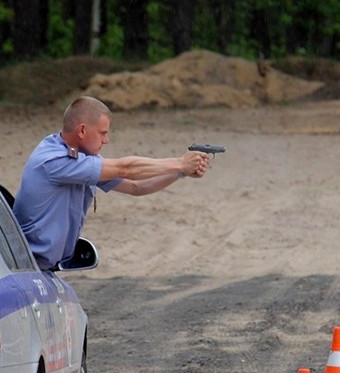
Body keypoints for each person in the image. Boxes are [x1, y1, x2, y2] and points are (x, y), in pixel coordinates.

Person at [13, 96, 211, 271]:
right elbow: (126, 169)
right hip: (25, 269)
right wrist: (180, 162)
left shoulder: (79, 157)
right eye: (102, 133)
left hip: (40, 268)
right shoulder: (55, 160)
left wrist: (180, 172)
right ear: (82, 130)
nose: (106, 140)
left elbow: (137, 187)